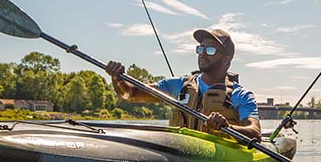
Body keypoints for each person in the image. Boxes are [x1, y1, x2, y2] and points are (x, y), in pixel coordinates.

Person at [105, 28, 261, 141]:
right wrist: (117, 79)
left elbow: (255, 132)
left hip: (220, 157)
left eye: (211, 50)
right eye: (201, 48)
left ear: (226, 60)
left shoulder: (240, 95)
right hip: (181, 152)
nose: (203, 53)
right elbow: (130, 94)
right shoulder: (178, 85)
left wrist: (227, 128)